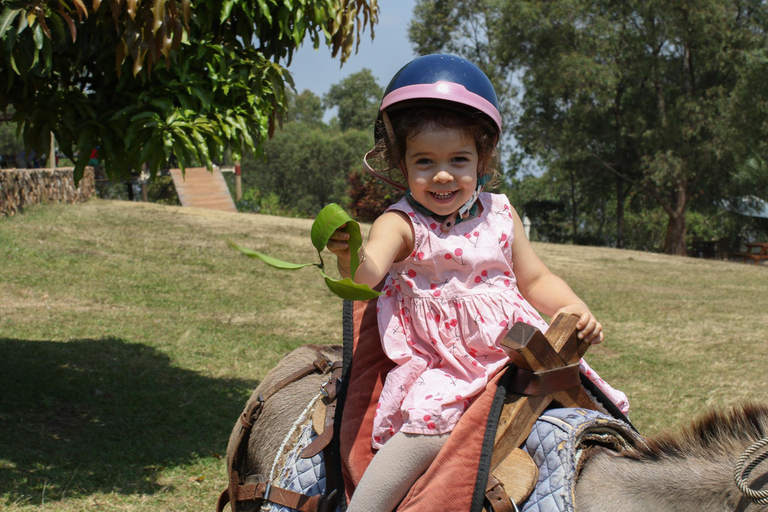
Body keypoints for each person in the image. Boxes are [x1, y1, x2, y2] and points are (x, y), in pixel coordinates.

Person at [327, 54, 628, 511]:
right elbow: (370, 273)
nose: (443, 174)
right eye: (424, 161)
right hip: (445, 362)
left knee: (603, 417)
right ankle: (365, 506)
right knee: (425, 432)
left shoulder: (500, 213)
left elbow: (536, 277)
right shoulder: (402, 223)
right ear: (401, 164)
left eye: (459, 159)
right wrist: (351, 252)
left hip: (519, 352)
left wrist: (575, 310)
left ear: (482, 160)